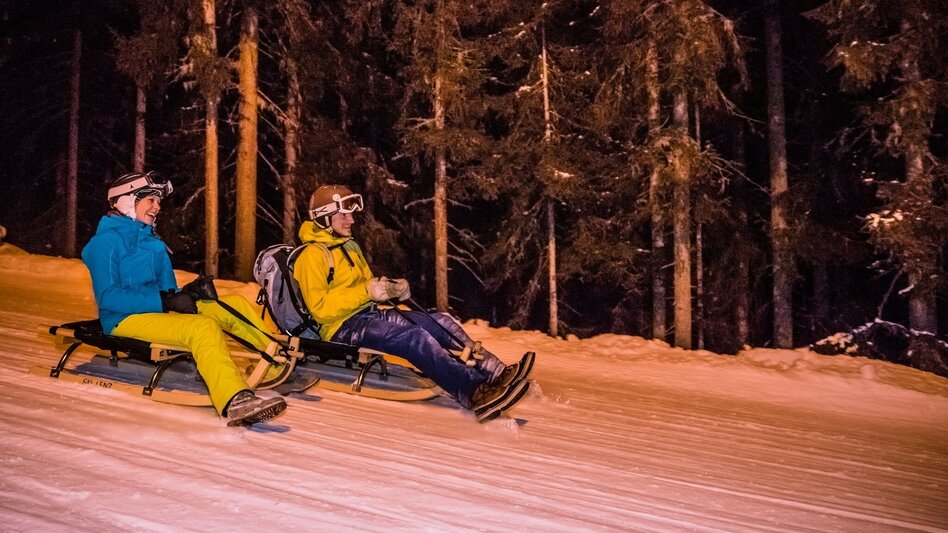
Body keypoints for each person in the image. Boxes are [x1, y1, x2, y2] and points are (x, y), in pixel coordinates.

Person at [293, 184, 534, 422]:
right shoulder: (312, 256)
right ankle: (474, 393)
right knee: (412, 337)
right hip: (341, 328)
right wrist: (367, 291)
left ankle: (497, 372)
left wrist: (389, 288)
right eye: (344, 214)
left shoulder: (349, 246)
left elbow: (363, 287)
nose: (352, 220)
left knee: (439, 321)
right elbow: (320, 310)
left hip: (368, 315)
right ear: (324, 217)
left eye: (352, 213)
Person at [81, 171, 287, 426]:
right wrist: (166, 302)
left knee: (233, 304)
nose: (157, 207)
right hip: (123, 319)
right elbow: (109, 297)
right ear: (126, 201)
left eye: (158, 201)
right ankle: (234, 399)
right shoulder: (104, 244)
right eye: (151, 200)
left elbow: (168, 290)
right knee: (202, 328)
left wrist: (189, 294)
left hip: (156, 314)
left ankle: (276, 362)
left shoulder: (153, 244)